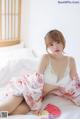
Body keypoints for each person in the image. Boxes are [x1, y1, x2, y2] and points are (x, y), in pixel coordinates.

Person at [0, 29, 79, 115]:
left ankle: (2, 116)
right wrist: (37, 99)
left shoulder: (70, 61)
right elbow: (36, 81)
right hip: (27, 87)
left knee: (16, 113)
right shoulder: (45, 58)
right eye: (51, 44)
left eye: (58, 42)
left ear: (63, 42)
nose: (55, 46)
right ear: (47, 47)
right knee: (7, 107)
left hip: (39, 96)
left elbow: (75, 85)